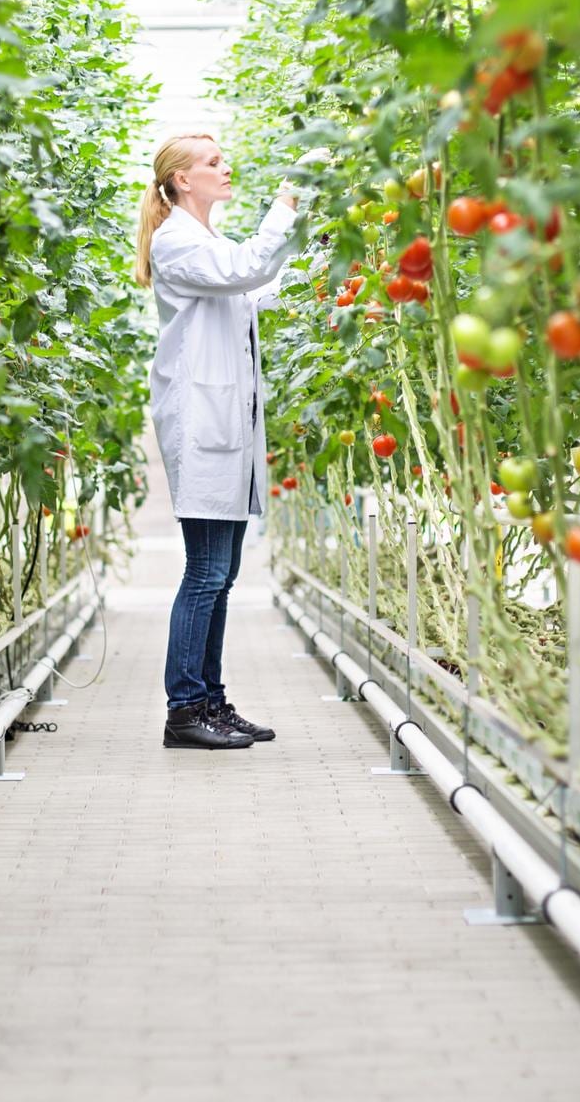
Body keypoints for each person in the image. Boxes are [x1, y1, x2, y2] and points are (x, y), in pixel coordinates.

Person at [134, 131, 320, 750]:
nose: (225, 168)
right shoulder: (177, 240)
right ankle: (185, 709)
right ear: (182, 179)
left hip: (227, 425)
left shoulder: (205, 239)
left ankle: (209, 700)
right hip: (203, 423)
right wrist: (288, 200)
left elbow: (251, 287)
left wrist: (314, 262)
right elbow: (246, 270)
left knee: (224, 570)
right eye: (213, 163)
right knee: (207, 571)